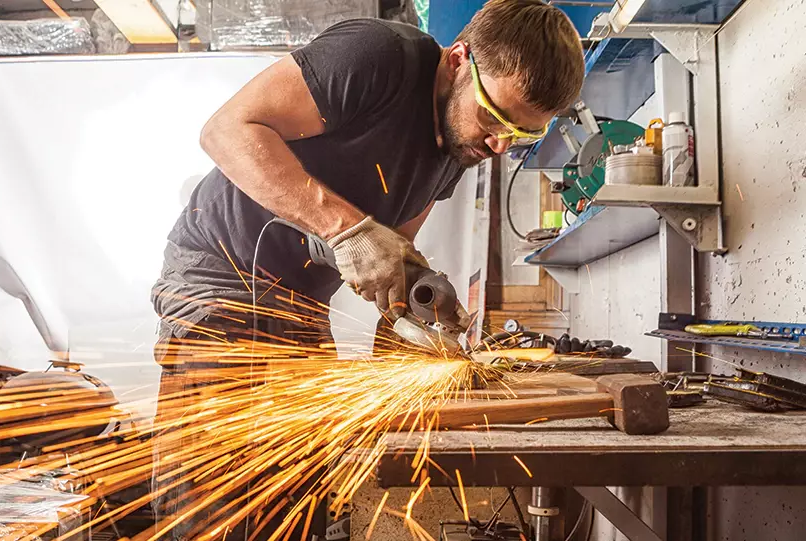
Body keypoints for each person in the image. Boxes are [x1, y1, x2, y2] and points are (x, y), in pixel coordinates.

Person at [150, 0, 585, 538]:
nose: (499, 145)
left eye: (523, 136)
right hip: (218, 278)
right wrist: (344, 228)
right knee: (211, 501)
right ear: (458, 59)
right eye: (495, 119)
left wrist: (418, 302)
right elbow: (226, 130)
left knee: (294, 497)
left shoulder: (456, 148)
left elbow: (388, 253)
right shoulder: (378, 57)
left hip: (300, 304)